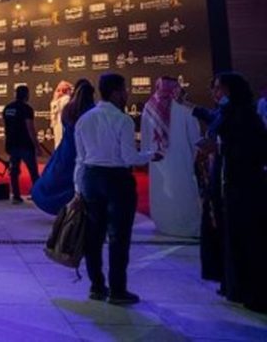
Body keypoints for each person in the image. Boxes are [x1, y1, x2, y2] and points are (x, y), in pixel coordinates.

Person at [74, 72, 162, 305]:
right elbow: (129, 157)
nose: (127, 94)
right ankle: (118, 290)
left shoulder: (84, 119)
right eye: (124, 90)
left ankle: (96, 286)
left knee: (93, 236)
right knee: (118, 237)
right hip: (117, 180)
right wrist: (151, 155)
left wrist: (78, 188)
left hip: (91, 178)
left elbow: (80, 158)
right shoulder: (123, 120)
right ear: (115, 93)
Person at [196, 72, 267, 313]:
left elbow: (253, 151)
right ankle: (233, 285)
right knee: (229, 238)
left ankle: (251, 291)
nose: (215, 93)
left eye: (219, 89)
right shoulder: (226, 114)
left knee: (248, 241)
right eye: (214, 89)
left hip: (244, 187)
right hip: (225, 186)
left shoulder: (246, 116)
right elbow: (215, 121)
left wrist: (218, 148)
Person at [140, 76, 201, 237]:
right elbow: (195, 137)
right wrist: (192, 156)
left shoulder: (149, 107)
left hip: (158, 161)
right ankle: (185, 226)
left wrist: (149, 156)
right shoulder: (184, 107)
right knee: (183, 192)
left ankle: (164, 224)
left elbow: (145, 138)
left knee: (162, 193)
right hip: (181, 160)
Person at [31, 78, 94, 215]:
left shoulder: (69, 107)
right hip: (84, 148)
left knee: (61, 176)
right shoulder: (90, 110)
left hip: (67, 147)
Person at [2, 85, 40, 204]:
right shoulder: (27, 109)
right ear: (26, 95)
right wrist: (37, 146)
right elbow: (30, 128)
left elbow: (6, 127)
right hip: (25, 145)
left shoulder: (7, 108)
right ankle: (37, 195)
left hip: (12, 144)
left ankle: (16, 196)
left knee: (14, 172)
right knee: (33, 172)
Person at [50, 80, 73, 149]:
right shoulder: (57, 100)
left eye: (61, 89)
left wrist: (56, 100)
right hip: (57, 123)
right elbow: (53, 110)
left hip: (63, 123)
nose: (59, 92)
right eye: (58, 90)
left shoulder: (67, 99)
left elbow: (59, 108)